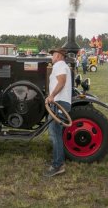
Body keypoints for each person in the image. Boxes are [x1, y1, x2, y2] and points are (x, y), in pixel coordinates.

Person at [44, 48, 72, 177]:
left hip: (59, 102)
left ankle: (58, 165)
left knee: (55, 133)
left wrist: (51, 96)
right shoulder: (61, 66)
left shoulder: (59, 65)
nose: (51, 57)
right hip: (59, 102)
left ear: (59, 56)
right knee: (55, 133)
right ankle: (57, 161)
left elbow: (61, 82)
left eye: (53, 55)